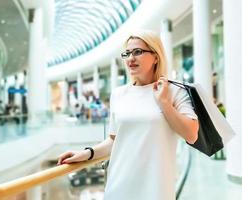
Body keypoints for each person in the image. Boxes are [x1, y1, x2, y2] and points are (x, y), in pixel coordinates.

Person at [57, 30, 199, 200]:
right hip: (119, 186)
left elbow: (191, 135)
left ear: (156, 56)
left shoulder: (175, 91)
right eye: (127, 53)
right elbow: (114, 141)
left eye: (138, 52)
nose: (131, 58)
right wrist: (86, 153)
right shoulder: (119, 94)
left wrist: (165, 104)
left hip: (156, 189)